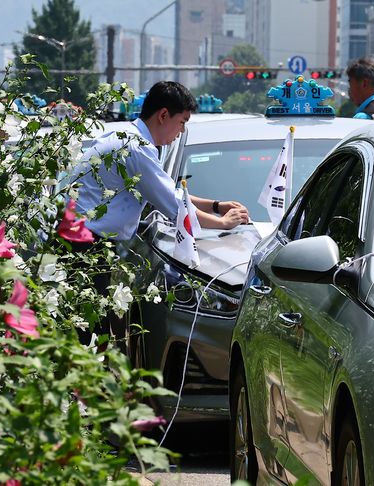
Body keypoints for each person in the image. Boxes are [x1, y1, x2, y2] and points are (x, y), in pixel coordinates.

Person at [71, 81, 249, 346]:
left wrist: (215, 205)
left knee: (92, 332)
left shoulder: (129, 138)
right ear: (163, 115)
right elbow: (173, 206)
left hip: (81, 239)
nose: (181, 131)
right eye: (182, 122)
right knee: (92, 336)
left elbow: (166, 190)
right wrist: (221, 222)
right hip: (85, 245)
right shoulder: (137, 148)